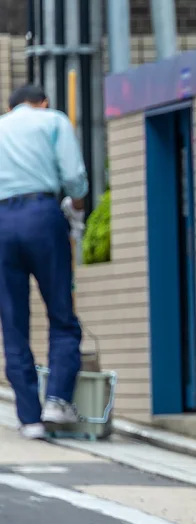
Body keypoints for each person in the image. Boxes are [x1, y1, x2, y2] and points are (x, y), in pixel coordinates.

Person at [0, 84, 88, 440]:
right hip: (42, 215)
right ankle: (57, 399)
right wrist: (77, 209)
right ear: (43, 102)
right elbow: (74, 178)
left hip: (2, 222)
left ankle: (29, 418)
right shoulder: (53, 121)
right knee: (61, 313)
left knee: (13, 320)